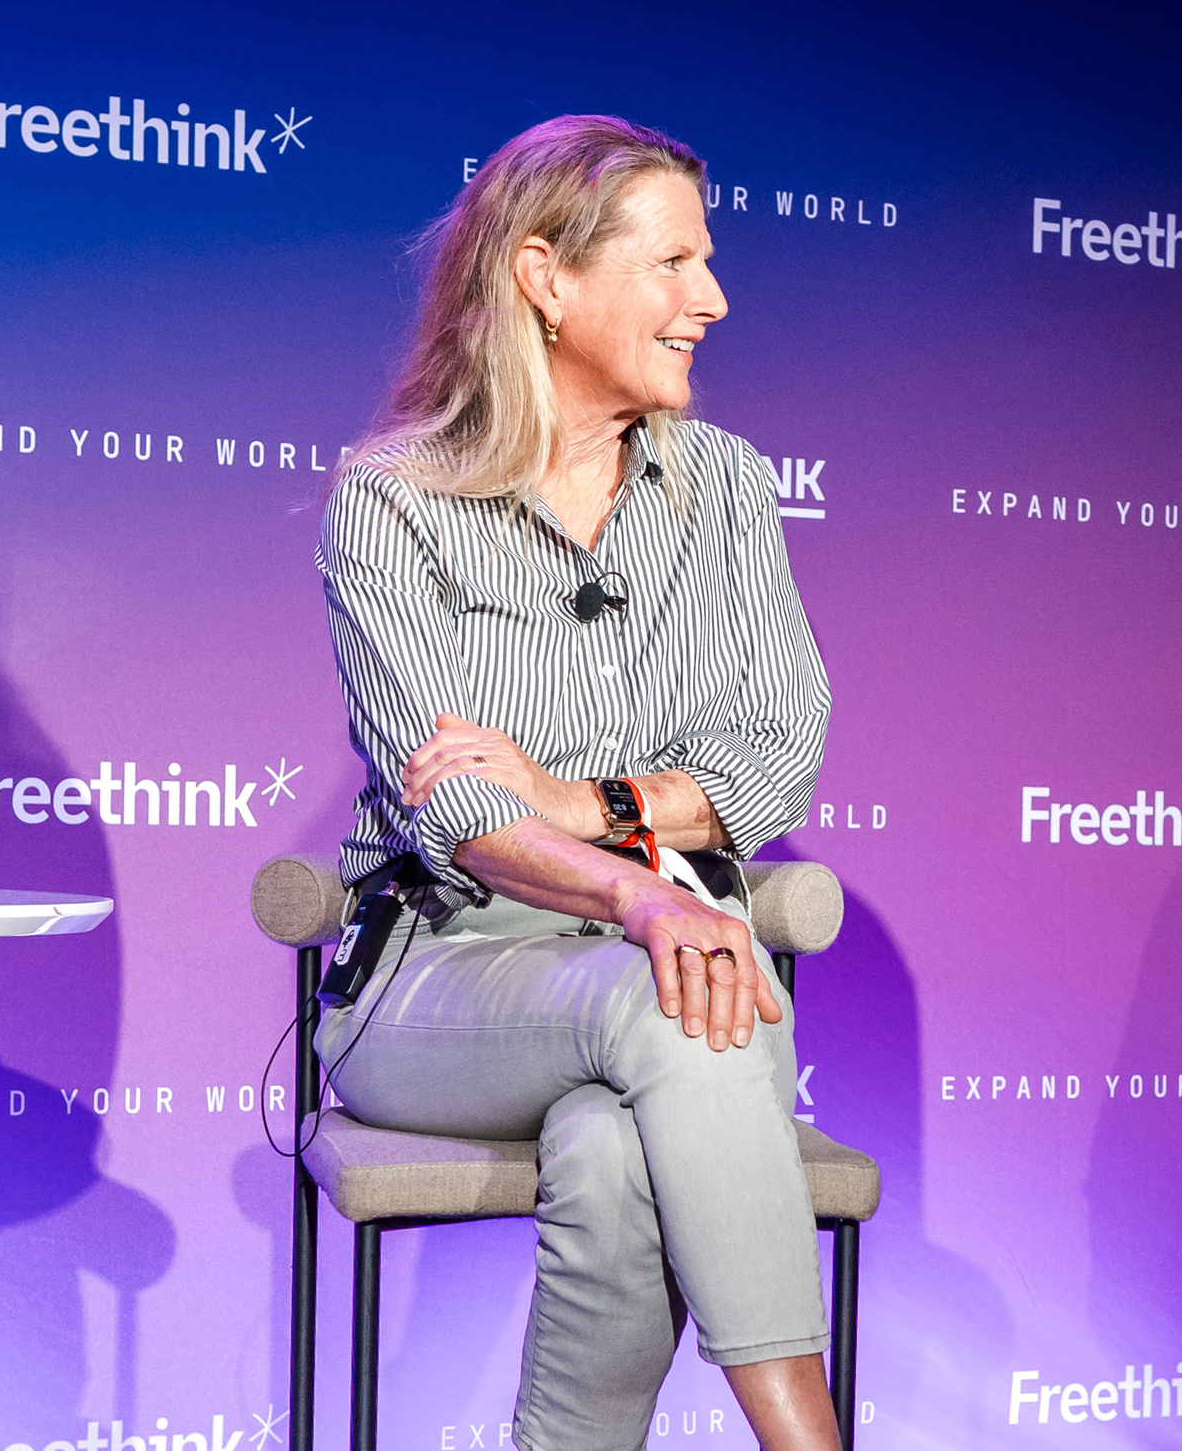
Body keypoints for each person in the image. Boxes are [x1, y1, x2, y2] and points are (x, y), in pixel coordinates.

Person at [316, 115, 836, 1451]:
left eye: (706, 263)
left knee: (615, 1148)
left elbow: (780, 754)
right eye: (673, 263)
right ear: (545, 278)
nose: (712, 300)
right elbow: (459, 811)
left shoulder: (727, 489)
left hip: (674, 960)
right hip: (446, 981)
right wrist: (644, 893)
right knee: (683, 984)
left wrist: (583, 804)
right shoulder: (397, 500)